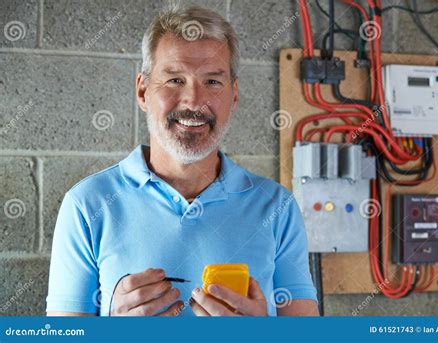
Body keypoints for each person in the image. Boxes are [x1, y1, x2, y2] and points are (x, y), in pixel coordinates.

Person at [46, 5, 318, 317]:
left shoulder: (278, 208)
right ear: (143, 90)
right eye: (175, 80)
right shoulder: (86, 205)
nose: (193, 101)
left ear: (235, 94)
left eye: (213, 82)